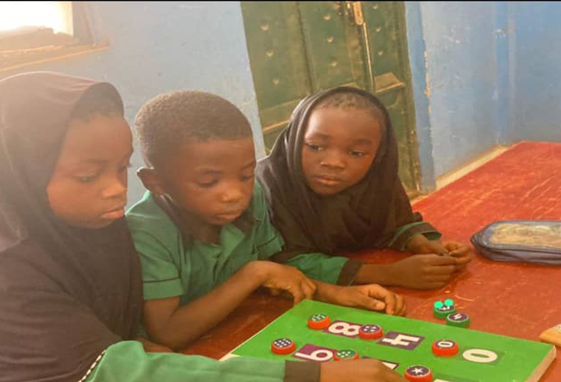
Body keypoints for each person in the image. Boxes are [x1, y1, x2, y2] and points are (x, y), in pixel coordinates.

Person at [0, 72, 417, 382]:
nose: (117, 189)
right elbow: (117, 374)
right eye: (87, 175)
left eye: (119, 168)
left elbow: (131, 337)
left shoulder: (97, 223)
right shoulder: (1, 273)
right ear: (20, 175)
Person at [127, 90, 406, 352]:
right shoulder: (146, 233)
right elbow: (168, 333)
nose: (235, 194)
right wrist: (254, 274)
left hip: (237, 327)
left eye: (246, 175)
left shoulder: (254, 196)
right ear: (156, 182)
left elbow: (277, 266)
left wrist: (333, 293)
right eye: (209, 181)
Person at [256, 86, 473, 290]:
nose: (333, 162)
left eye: (356, 153)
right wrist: (388, 274)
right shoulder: (266, 190)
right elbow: (282, 263)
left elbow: (392, 222)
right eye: (315, 146)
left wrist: (419, 243)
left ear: (378, 157)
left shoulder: (375, 181)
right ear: (293, 140)